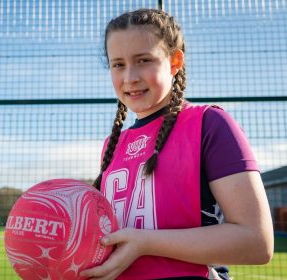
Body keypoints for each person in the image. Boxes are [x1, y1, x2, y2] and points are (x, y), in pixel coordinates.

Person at [80, 8, 274, 280]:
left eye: (143, 60)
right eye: (118, 64)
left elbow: (257, 242)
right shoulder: (112, 145)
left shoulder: (209, 124)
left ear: (174, 62)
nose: (130, 77)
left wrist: (145, 243)